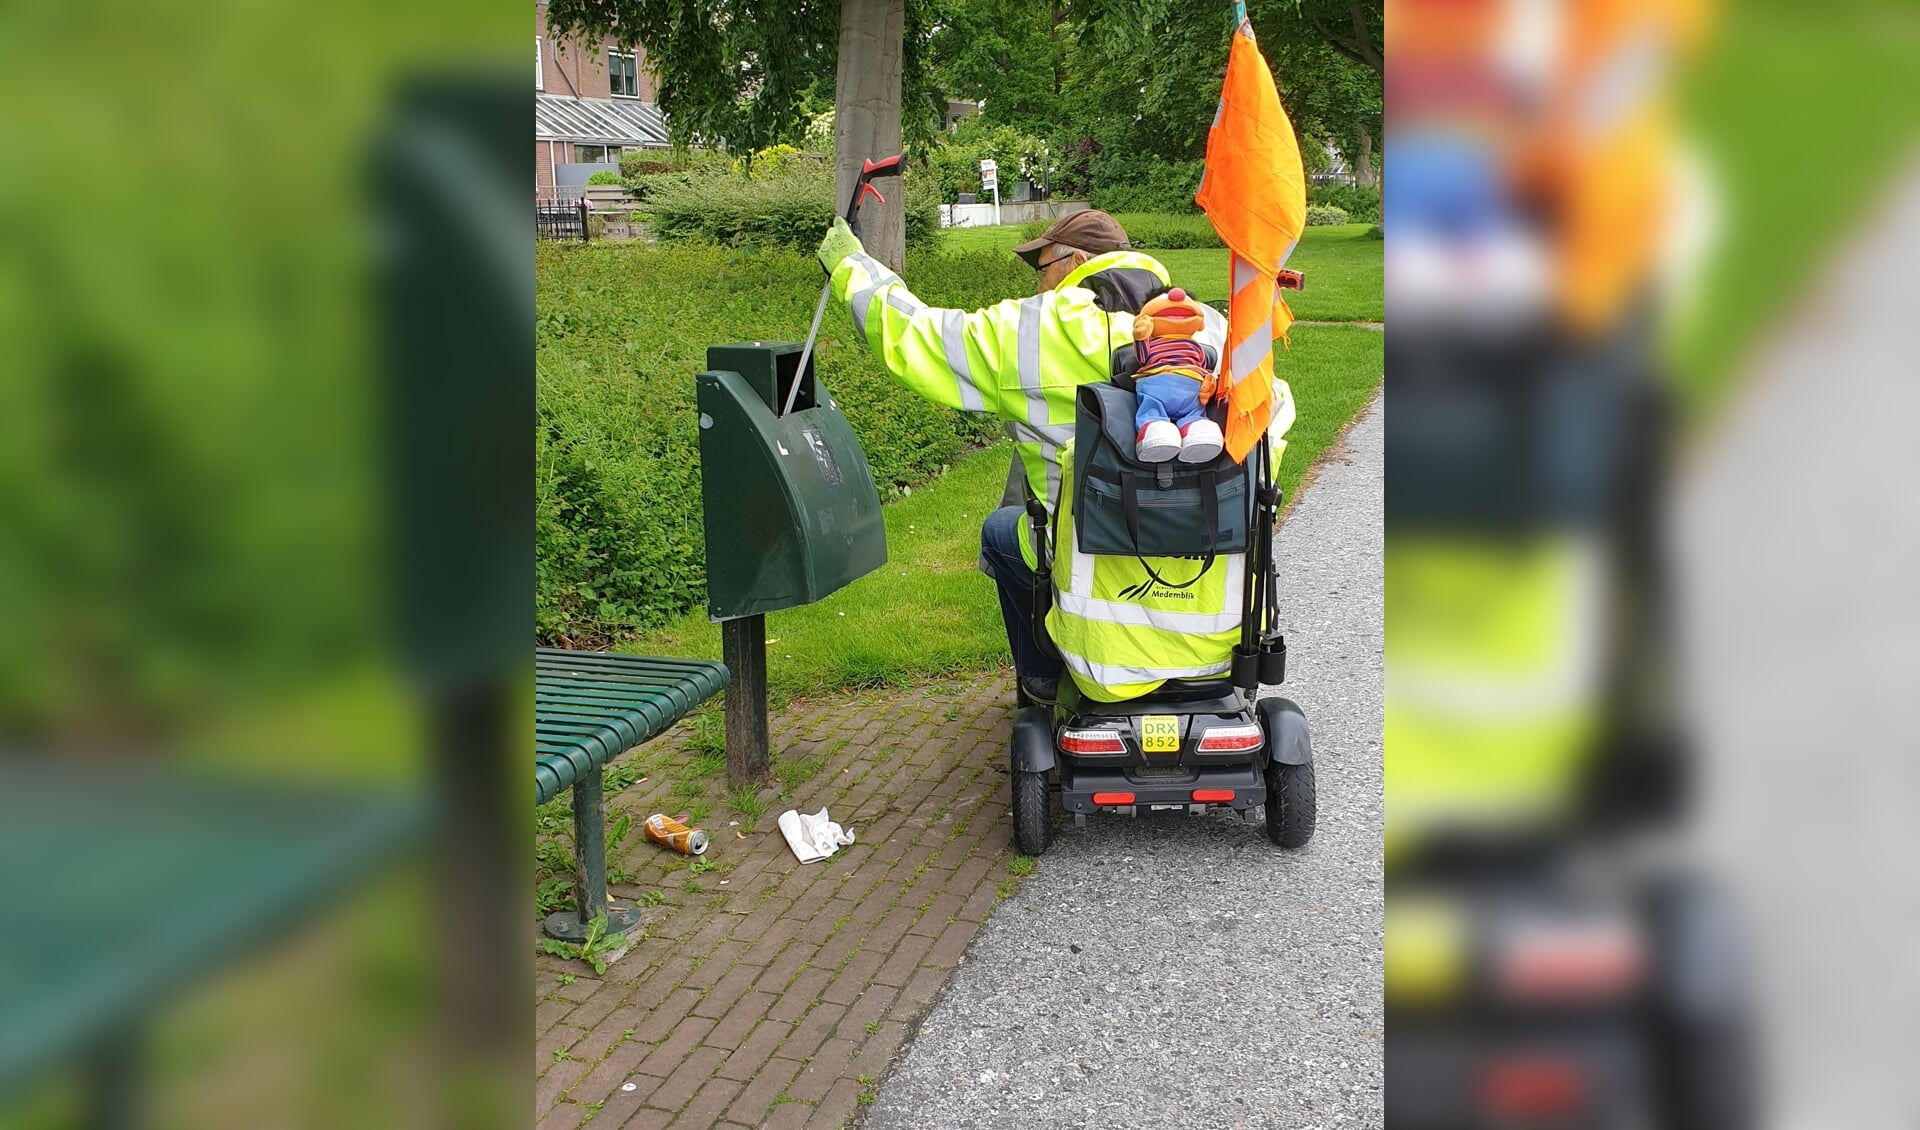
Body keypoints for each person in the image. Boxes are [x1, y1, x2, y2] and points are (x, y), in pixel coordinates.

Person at [816, 210, 1227, 705]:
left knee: (1000, 532)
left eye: (1042, 267)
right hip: (1203, 557)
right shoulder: (1211, 328)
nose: (1040, 282)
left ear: (1076, 261)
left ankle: (1041, 680)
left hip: (1085, 560)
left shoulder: (1033, 328)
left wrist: (852, 267)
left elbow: (920, 335)